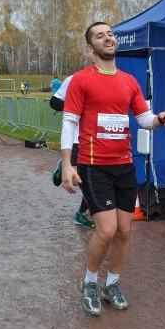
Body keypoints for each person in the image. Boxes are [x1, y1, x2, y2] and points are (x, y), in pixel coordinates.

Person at [60, 21, 165, 317]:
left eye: (110, 34)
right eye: (100, 35)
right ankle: (89, 283)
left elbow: (144, 118)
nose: (108, 38)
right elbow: (69, 121)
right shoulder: (81, 80)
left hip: (124, 165)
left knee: (125, 231)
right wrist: (67, 164)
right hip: (93, 166)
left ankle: (112, 283)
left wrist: (160, 118)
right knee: (107, 230)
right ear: (90, 48)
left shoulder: (128, 81)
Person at [51, 52, 97, 229]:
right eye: (92, 64)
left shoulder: (108, 79)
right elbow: (54, 102)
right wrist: (75, 106)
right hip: (78, 137)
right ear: (87, 63)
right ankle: (64, 166)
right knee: (80, 179)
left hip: (97, 138)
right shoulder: (74, 79)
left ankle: (81, 214)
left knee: (91, 179)